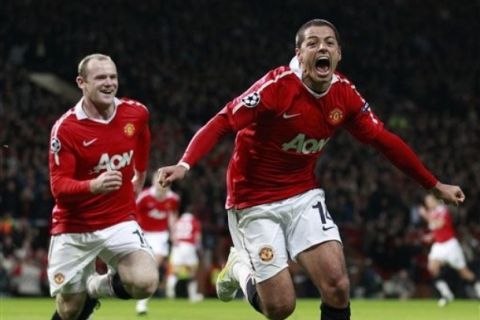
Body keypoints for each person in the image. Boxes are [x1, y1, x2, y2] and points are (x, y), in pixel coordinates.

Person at [158, 19, 465, 320]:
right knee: (280, 308)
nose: (322, 48)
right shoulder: (276, 88)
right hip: (253, 200)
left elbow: (385, 141)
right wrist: (186, 163)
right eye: (313, 43)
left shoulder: (343, 94)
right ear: (299, 53)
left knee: (337, 286)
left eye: (330, 43)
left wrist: (434, 184)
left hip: (302, 195)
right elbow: (224, 120)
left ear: (339, 54)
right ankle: (239, 268)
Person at [47, 53, 158, 320]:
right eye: (100, 78)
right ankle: (82, 295)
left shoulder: (136, 112)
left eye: (112, 77)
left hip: (118, 219)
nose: (109, 83)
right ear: (81, 82)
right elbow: (58, 187)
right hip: (75, 226)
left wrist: (140, 176)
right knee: (70, 309)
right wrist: (92, 185)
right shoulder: (66, 129)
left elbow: (143, 138)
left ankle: (94, 287)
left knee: (145, 283)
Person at [419, 194, 480, 307]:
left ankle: (478, 288)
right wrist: (431, 236)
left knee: (464, 273)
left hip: (450, 245)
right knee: (432, 268)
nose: (427, 203)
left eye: (429, 200)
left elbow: (440, 224)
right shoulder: (432, 212)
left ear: (435, 200)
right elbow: (437, 228)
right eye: (426, 201)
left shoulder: (443, 210)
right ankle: (446, 294)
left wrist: (425, 215)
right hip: (439, 245)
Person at [135, 171, 180, 315]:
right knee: (141, 268)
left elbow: (172, 217)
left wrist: (174, 234)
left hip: (161, 236)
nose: (161, 185)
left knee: (153, 268)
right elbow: (133, 214)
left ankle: (142, 303)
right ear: (154, 182)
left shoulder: (173, 199)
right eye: (159, 181)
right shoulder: (144, 197)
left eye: (165, 183)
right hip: (144, 234)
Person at [165, 209, 204, 302]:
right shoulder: (195, 221)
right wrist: (199, 250)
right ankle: (192, 295)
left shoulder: (178, 221)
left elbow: (172, 236)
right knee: (192, 271)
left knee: (174, 271)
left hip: (177, 246)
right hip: (189, 246)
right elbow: (198, 237)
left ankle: (170, 293)